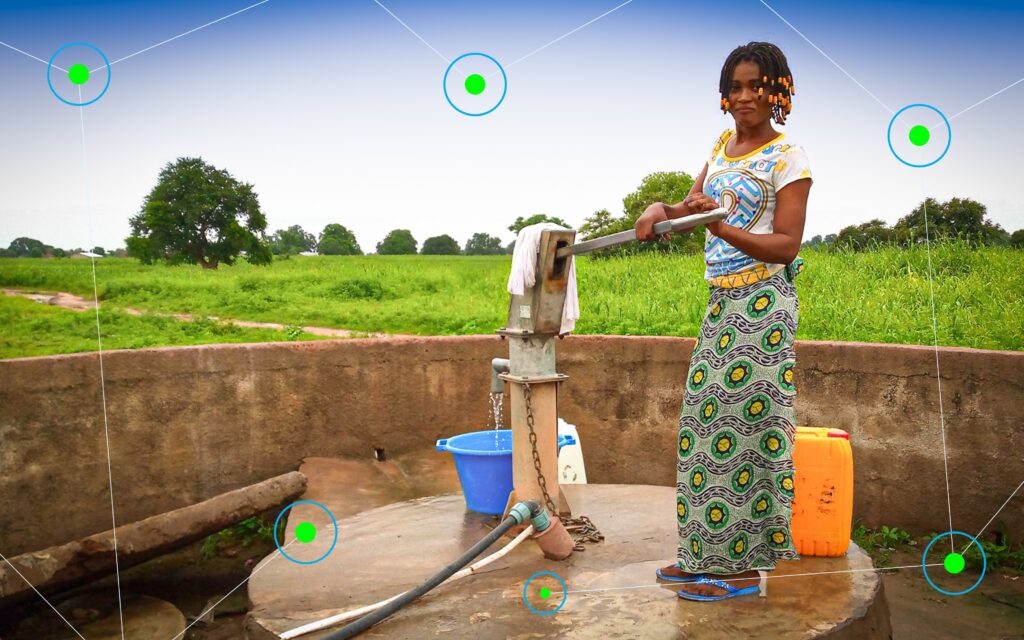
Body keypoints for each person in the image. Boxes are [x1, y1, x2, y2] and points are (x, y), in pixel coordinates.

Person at [635, 41, 812, 601]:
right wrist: (661, 211)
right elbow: (696, 205)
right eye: (734, 86)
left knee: (746, 434)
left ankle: (739, 571)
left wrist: (720, 229)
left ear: (778, 90)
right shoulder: (722, 145)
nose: (743, 97)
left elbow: (785, 244)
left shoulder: (790, 158)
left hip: (763, 306)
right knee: (705, 431)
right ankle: (701, 556)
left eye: (756, 85)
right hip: (721, 303)